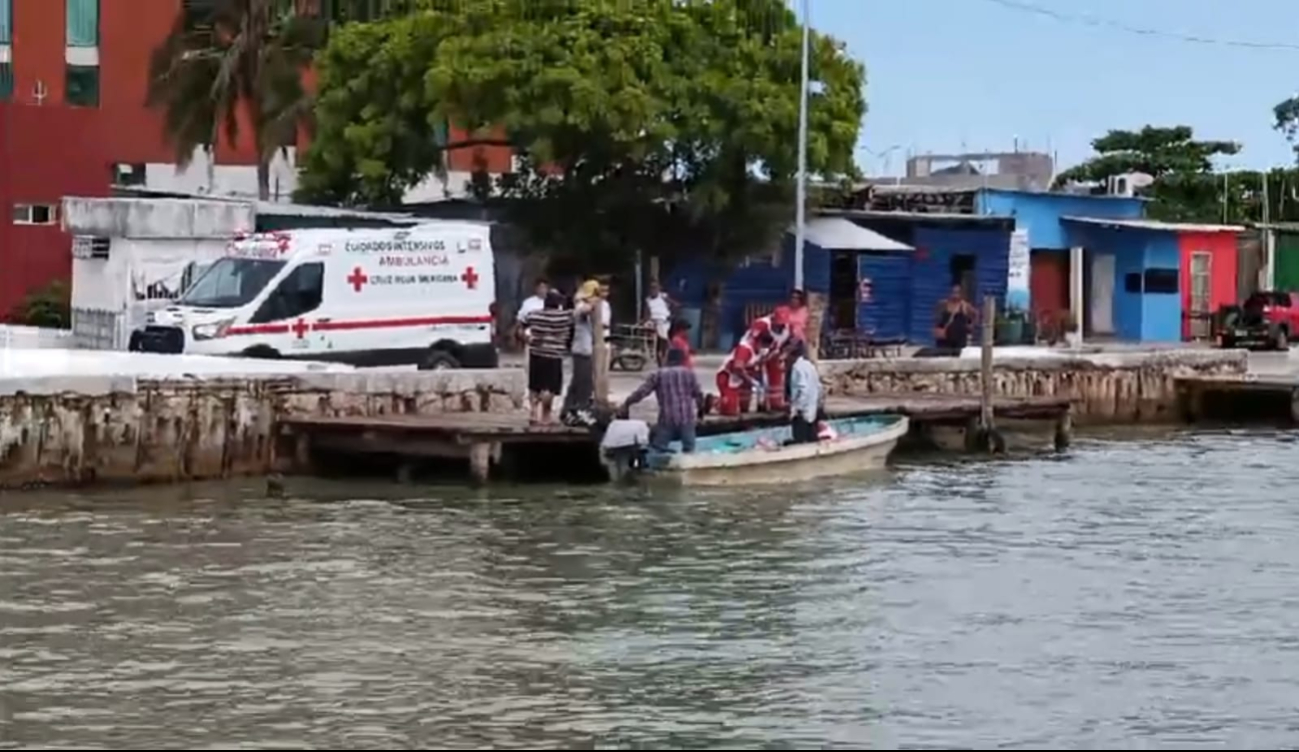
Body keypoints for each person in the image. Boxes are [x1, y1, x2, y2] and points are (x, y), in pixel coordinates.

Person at [621, 347, 705, 453]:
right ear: (682, 360)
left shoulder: (658, 375)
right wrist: (701, 411)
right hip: (687, 419)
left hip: (667, 419)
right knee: (689, 449)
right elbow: (699, 395)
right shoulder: (690, 374)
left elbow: (642, 392)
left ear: (667, 359)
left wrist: (628, 402)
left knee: (658, 448)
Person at [562, 279, 612, 420]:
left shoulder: (595, 305)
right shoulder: (581, 305)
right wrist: (592, 301)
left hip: (588, 349)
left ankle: (568, 409)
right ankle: (579, 409)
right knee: (584, 383)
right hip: (581, 349)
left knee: (578, 382)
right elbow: (585, 310)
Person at [522, 292, 573, 424]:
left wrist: (527, 338)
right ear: (558, 304)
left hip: (536, 354)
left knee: (534, 386)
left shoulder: (534, 315)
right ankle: (546, 415)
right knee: (550, 388)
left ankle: (533, 413)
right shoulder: (564, 317)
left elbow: (522, 325)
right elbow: (578, 312)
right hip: (554, 355)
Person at [787, 339, 822, 444]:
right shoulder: (810, 366)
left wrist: (797, 408)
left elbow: (802, 389)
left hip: (802, 410)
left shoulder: (797, 368)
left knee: (800, 439)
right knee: (811, 437)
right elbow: (819, 386)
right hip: (812, 407)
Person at [934, 284, 978, 352]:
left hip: (959, 338)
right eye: (953, 292)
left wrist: (971, 325)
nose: (955, 295)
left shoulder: (964, 306)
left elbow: (976, 314)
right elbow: (936, 313)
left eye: (957, 292)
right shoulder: (944, 304)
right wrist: (937, 326)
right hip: (945, 338)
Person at [644, 280, 674, 365]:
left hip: (663, 320)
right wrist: (646, 319)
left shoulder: (663, 297)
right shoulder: (648, 300)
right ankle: (657, 355)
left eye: (655, 288)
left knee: (663, 338)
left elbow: (674, 304)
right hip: (653, 320)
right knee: (650, 334)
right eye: (651, 288)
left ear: (659, 289)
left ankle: (665, 353)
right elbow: (647, 312)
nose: (653, 290)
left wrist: (671, 314)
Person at [515, 278, 549, 345]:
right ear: (536, 289)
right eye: (540, 287)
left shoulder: (553, 302)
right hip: (532, 335)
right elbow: (520, 320)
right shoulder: (528, 303)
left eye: (544, 287)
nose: (542, 290)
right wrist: (522, 334)